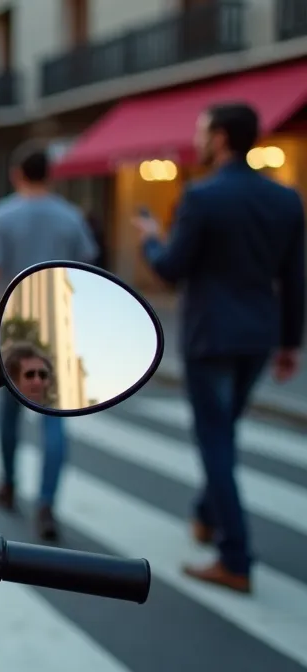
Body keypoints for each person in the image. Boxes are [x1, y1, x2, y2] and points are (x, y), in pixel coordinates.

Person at [134, 102, 305, 594]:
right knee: (224, 432)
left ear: (222, 137)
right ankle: (207, 515)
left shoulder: (201, 197)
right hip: (259, 335)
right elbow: (295, 277)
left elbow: (170, 269)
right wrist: (290, 342)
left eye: (203, 131)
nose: (198, 139)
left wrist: (151, 240)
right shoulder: (285, 199)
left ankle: (235, 557)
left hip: (211, 336)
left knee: (215, 441)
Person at [0, 147, 98, 541]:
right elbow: (87, 271)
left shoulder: (1, 215)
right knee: (54, 417)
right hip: (57, 329)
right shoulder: (71, 217)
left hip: (13, 328)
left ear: (17, 174)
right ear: (50, 174)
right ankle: (46, 503)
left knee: (9, 411)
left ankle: (8, 483)